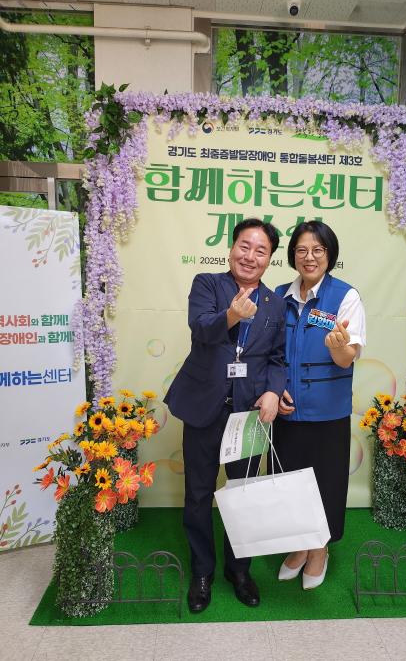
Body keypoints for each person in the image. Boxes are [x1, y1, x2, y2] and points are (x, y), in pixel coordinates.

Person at [165, 218, 286, 613]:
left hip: (249, 414)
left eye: (260, 250)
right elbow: (201, 329)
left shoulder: (275, 304)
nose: (250, 256)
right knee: (198, 494)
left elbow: (277, 357)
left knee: (243, 495)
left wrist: (273, 390)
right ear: (231, 248)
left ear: (269, 259)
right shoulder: (207, 284)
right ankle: (202, 572)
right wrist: (232, 315)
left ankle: (239, 570)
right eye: (244, 246)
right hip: (205, 408)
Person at [272, 220, 366, 590]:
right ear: (293, 255)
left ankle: (319, 549)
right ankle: (298, 545)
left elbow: (347, 358)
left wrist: (339, 347)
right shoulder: (279, 295)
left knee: (325, 483)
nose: (309, 257)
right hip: (286, 411)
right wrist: (275, 389)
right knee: (289, 483)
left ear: (329, 254)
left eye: (317, 250)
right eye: (302, 250)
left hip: (327, 412)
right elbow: (269, 353)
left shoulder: (345, 296)